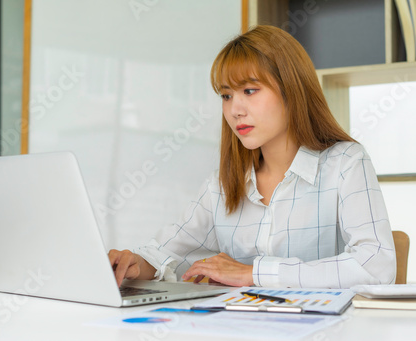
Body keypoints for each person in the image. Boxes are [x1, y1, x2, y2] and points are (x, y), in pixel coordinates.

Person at [108, 25, 396, 289]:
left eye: (249, 90)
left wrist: (253, 273)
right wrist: (135, 264)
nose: (235, 110)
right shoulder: (222, 184)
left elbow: (376, 266)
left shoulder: (345, 163)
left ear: (292, 90)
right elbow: (166, 251)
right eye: (226, 95)